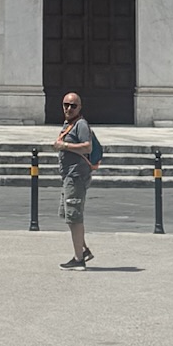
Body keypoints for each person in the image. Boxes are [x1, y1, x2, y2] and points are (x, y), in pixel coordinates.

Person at [55, 90, 95, 270]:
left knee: (75, 216)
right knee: (70, 215)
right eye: (66, 105)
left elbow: (87, 147)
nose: (69, 108)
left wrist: (64, 146)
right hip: (69, 176)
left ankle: (79, 259)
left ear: (80, 107)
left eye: (73, 106)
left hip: (76, 176)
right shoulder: (68, 124)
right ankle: (83, 249)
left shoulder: (81, 125)